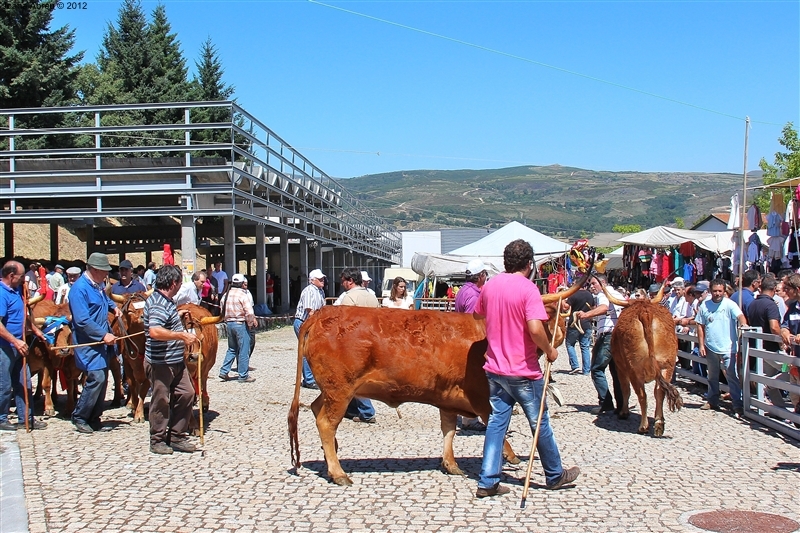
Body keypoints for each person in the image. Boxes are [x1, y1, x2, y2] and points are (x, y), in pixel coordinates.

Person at [473, 239, 580, 497]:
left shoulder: (489, 286)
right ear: (529, 264)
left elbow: (477, 315)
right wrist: (551, 350)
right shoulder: (529, 289)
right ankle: (554, 474)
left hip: (495, 369)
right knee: (539, 422)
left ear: (505, 262)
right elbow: (534, 329)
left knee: (497, 423)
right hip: (523, 370)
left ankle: (487, 481)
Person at [143, 265, 199, 454]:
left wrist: (177, 315)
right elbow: (155, 331)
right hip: (161, 363)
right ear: (173, 283)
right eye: (179, 283)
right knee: (161, 399)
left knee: (187, 393)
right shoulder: (158, 302)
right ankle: (157, 439)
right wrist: (182, 336)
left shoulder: (167, 301)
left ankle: (176, 436)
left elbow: (164, 321)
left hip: (175, 361)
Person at [69, 252, 121, 433]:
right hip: (88, 343)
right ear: (94, 270)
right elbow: (82, 320)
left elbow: (103, 299)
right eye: (104, 271)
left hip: (101, 343)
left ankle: (94, 417)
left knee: (103, 378)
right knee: (96, 377)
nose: (107, 274)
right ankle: (80, 416)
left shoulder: (97, 285)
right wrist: (102, 335)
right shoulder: (79, 289)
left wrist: (113, 306)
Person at [0, 261, 48, 431]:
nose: (24, 279)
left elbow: (23, 315)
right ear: (11, 276)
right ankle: (1, 418)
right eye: (21, 276)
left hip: (20, 345)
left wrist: (35, 330)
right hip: (4, 347)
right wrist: (15, 341)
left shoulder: (18, 291)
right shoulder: (1, 293)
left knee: (24, 382)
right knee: (4, 385)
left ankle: (26, 418)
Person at [695, 278, 747, 413]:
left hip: (728, 346)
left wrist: (743, 324)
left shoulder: (730, 304)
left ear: (724, 291)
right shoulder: (705, 306)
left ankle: (737, 403)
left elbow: (740, 316)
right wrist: (701, 344)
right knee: (712, 375)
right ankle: (712, 400)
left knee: (732, 375)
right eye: (715, 291)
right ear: (710, 291)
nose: (717, 293)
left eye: (720, 291)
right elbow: (700, 325)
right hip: (711, 345)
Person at [576, 274, 624, 415]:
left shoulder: (604, 293)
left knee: (597, 369)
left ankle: (606, 403)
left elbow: (604, 307)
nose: (591, 287)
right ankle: (621, 406)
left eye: (593, 283)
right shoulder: (618, 295)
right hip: (618, 336)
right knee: (616, 372)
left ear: (602, 283)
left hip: (608, 335)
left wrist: (586, 315)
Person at [336, 268, 379, 423]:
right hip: (371, 340)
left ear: (350, 281)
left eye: (343, 281)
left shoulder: (349, 298)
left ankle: (367, 412)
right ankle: (353, 409)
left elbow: (346, 325)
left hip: (355, 343)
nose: (342, 284)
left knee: (354, 378)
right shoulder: (371, 297)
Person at [453, 259, 488, 431]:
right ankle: (469, 419)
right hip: (469, 342)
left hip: (460, 340)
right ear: (480, 275)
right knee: (471, 381)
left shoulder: (462, 291)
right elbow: (471, 321)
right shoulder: (474, 295)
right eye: (485, 274)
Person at [747, 275, 787, 412]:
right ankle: (767, 387)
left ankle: (779, 409)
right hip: (771, 348)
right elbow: (774, 327)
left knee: (769, 376)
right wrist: (783, 341)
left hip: (759, 347)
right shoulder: (771, 305)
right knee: (789, 370)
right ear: (774, 289)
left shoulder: (753, 304)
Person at [217, 273, 256, 383]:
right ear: (242, 283)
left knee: (232, 348)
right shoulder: (243, 295)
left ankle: (224, 371)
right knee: (244, 349)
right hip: (240, 323)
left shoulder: (226, 294)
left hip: (229, 323)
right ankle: (243, 375)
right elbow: (249, 312)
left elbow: (221, 307)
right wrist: (250, 323)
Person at [294, 269, 327, 389]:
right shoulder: (309, 291)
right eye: (320, 279)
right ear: (312, 280)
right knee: (307, 351)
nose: (323, 280)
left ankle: (310, 377)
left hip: (312, 323)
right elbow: (310, 311)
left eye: (323, 278)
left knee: (312, 350)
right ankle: (309, 379)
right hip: (304, 323)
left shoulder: (320, 291)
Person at [779, 273, 800, 426]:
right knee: (795, 396)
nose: (785, 292)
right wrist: (784, 331)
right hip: (796, 360)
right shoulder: (793, 307)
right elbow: (784, 325)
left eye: (788, 289)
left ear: (797, 289)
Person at [564, 284, 594, 375]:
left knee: (570, 344)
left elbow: (566, 307)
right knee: (585, 346)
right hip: (586, 322)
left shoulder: (573, 294)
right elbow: (593, 307)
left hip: (574, 322)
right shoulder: (590, 295)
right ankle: (586, 370)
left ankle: (575, 366)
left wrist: (562, 300)